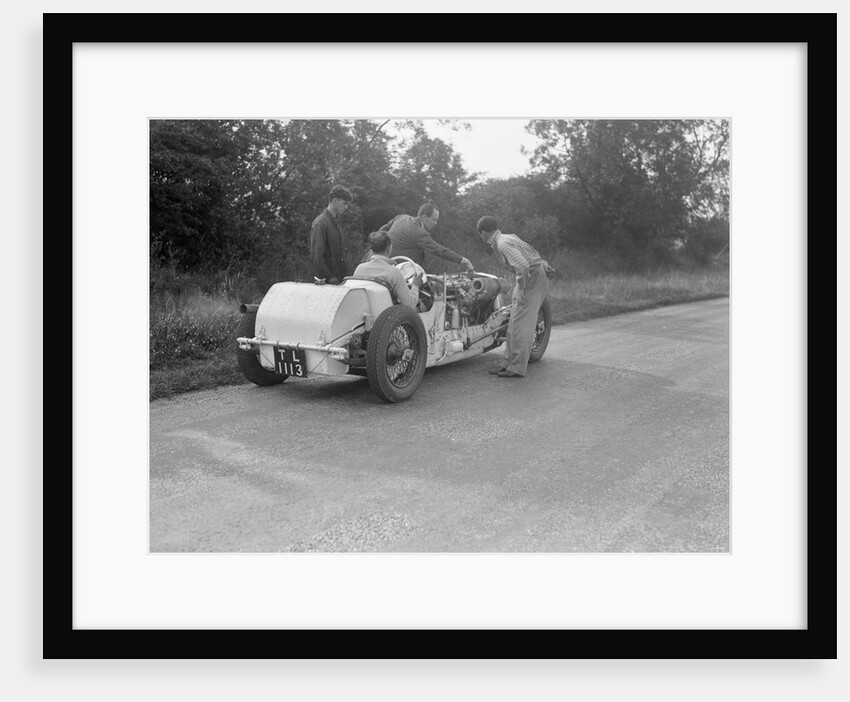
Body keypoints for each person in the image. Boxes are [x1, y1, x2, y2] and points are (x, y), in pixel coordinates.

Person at [475, 215, 550, 378]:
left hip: (531, 279)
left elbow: (522, 265)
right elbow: (528, 256)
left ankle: (516, 367)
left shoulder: (502, 243)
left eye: (480, 235)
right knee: (513, 323)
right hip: (530, 276)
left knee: (522, 325)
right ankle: (506, 363)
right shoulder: (506, 238)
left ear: (483, 233)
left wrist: (521, 289)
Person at [360, 202, 474, 273]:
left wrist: (379, 248)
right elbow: (439, 250)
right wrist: (463, 260)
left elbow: (382, 230)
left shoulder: (401, 217)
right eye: (434, 220)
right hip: (388, 270)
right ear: (424, 217)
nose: (435, 223)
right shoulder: (420, 233)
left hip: (368, 261)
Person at [351, 231, 422, 310]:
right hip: (389, 315)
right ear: (389, 248)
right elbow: (410, 304)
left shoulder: (360, 269)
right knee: (421, 306)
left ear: (372, 249)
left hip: (365, 313)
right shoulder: (394, 273)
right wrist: (415, 286)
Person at [309, 185, 353, 284]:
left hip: (340, 280)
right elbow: (316, 257)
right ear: (334, 201)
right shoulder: (320, 223)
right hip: (327, 283)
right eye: (344, 203)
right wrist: (329, 277)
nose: (346, 207)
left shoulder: (336, 222)